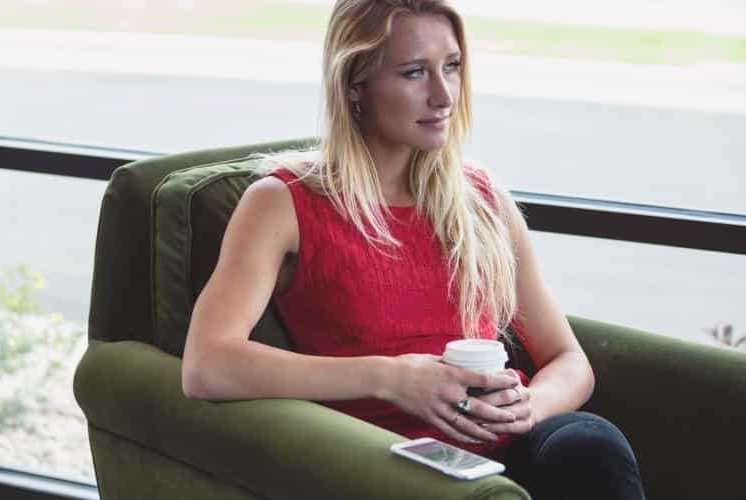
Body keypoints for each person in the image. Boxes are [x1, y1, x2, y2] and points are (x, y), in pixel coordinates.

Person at [181, 1, 645, 498]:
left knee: (592, 445)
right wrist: (392, 377)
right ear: (356, 85)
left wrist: (527, 406)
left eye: (452, 66)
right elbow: (207, 365)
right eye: (415, 72)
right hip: (386, 460)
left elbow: (569, 361)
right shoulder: (283, 202)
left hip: (508, 445)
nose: (443, 95)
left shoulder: (481, 199)